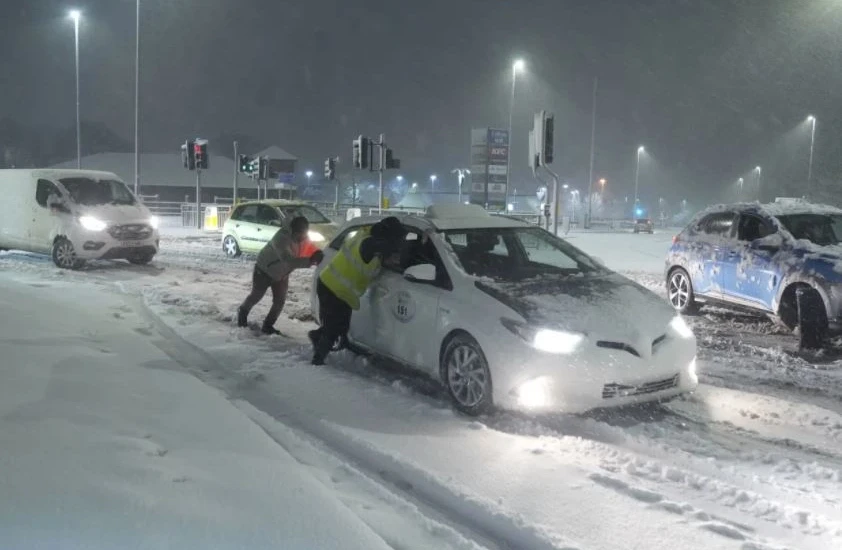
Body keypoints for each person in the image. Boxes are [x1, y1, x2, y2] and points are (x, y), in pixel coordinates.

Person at [309, 216, 406, 365]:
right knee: (333, 328)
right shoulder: (370, 244)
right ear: (388, 236)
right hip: (333, 288)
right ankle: (318, 360)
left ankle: (317, 337)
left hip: (336, 288)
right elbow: (388, 249)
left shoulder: (366, 234)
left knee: (341, 325)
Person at [238, 216, 324, 335]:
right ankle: (242, 313)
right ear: (294, 231)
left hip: (282, 274)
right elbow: (288, 260)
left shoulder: (303, 237)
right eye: (300, 234)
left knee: (279, 301)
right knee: (256, 296)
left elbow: (310, 247)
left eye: (304, 234)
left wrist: (317, 253)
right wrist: (310, 261)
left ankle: (268, 326)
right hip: (264, 270)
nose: (303, 237)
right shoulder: (281, 238)